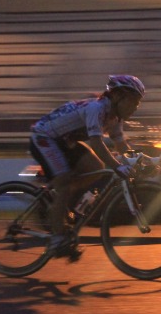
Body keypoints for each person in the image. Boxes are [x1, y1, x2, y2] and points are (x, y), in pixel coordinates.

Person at [29, 74, 145, 257]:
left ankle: (60, 200)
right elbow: (97, 143)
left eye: (138, 102)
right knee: (65, 181)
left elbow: (121, 144)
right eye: (133, 101)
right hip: (45, 137)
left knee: (95, 168)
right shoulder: (97, 108)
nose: (135, 107)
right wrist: (117, 166)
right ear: (117, 96)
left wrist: (140, 159)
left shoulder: (115, 117)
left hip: (66, 141)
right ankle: (58, 237)